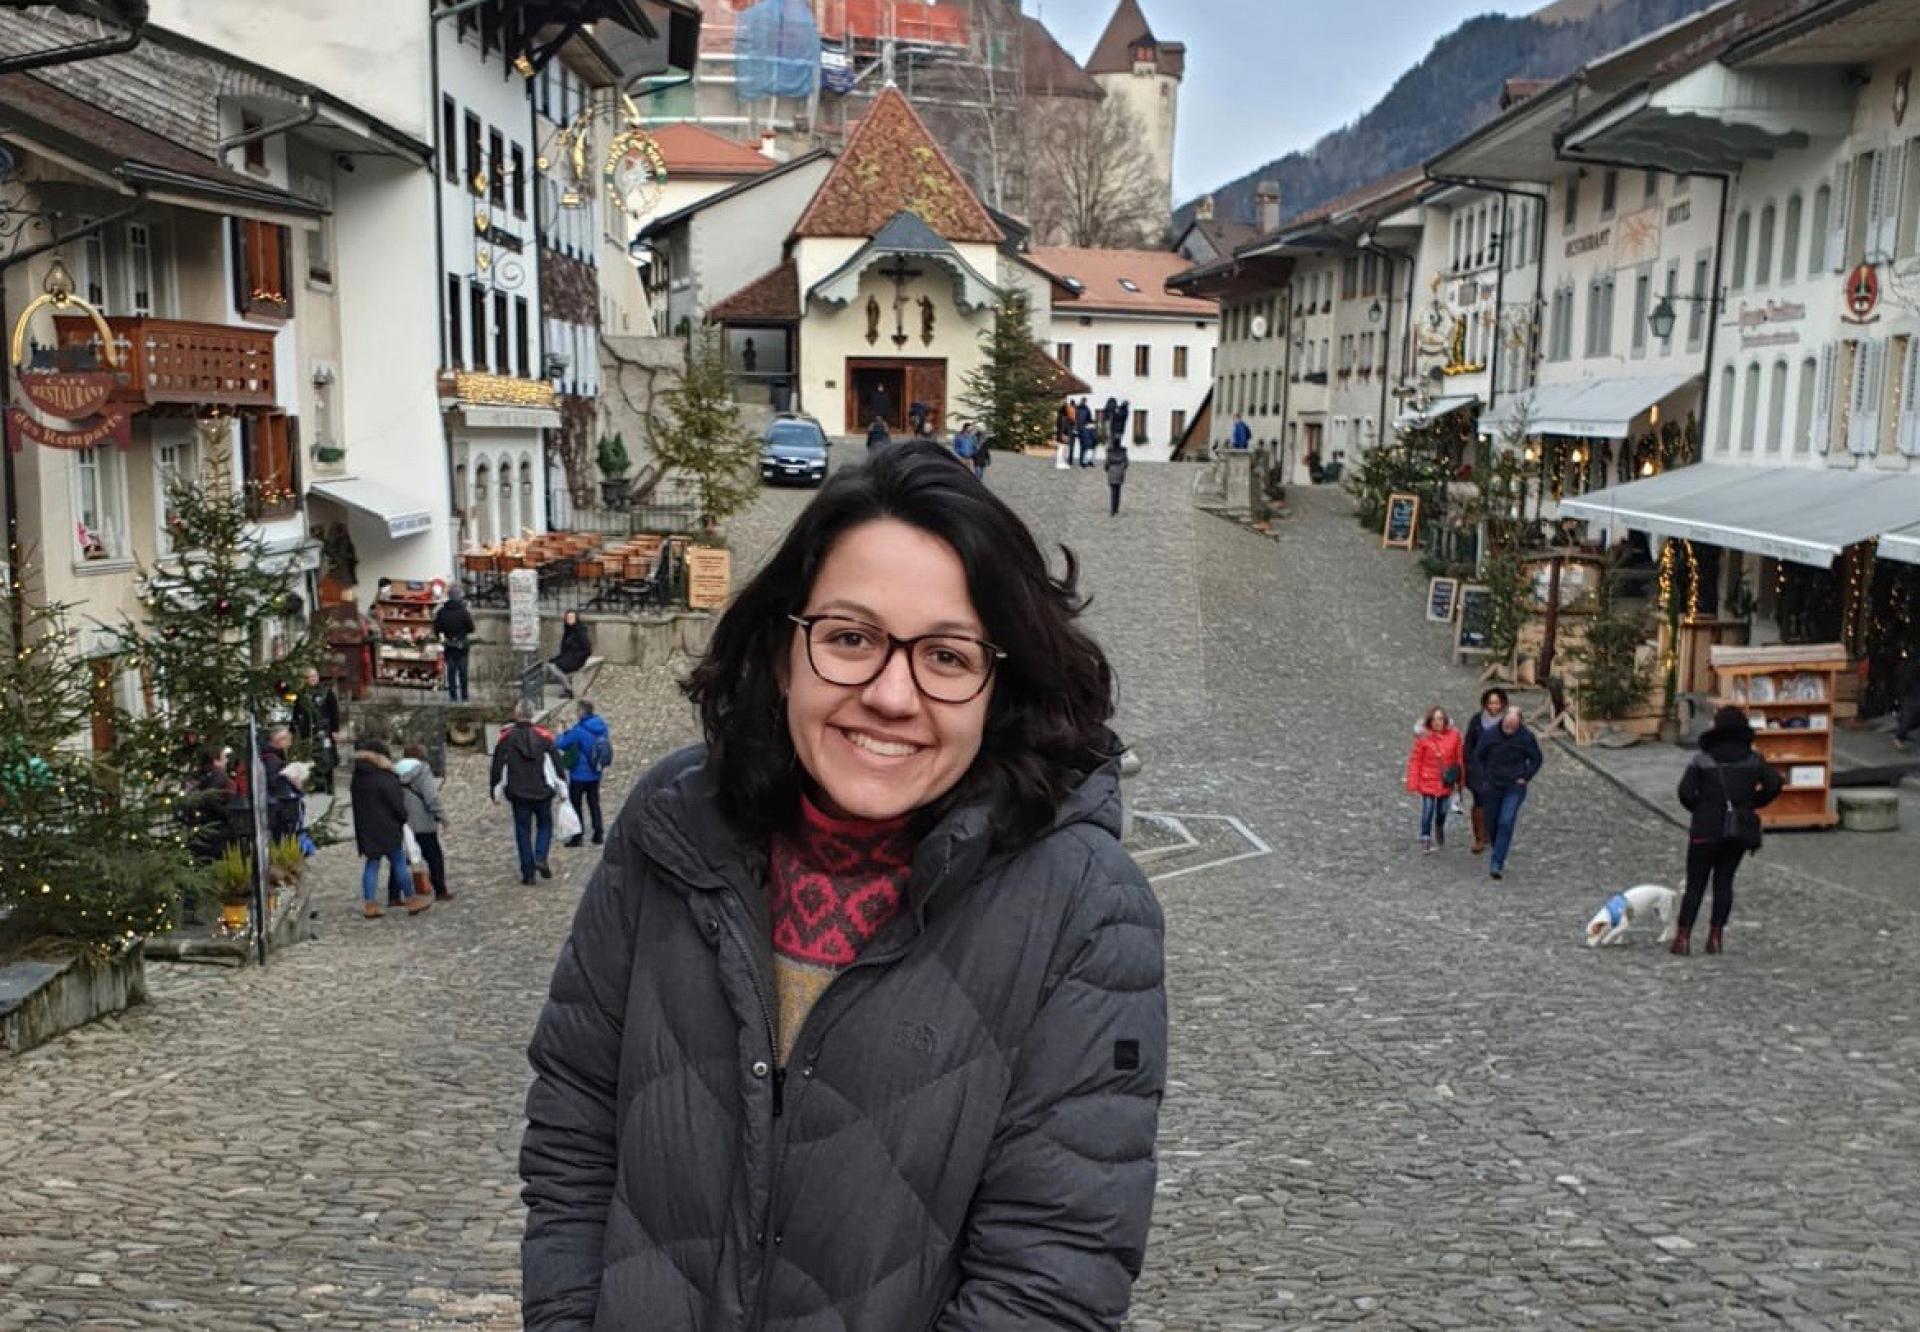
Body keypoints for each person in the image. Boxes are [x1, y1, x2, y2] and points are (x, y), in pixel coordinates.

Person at [520, 441, 1167, 1331]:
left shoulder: (1083, 911)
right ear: (784, 651)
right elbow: (573, 1126)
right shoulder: (672, 827)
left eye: (946, 656)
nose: (891, 694)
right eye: (851, 639)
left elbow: (1052, 1274)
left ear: (999, 685)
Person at [1673, 706, 1782, 955]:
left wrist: (1700, 809)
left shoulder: (1702, 759)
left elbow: (1685, 793)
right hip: (1737, 831)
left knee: (1695, 885)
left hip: (1705, 828)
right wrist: (1753, 802)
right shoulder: (1753, 759)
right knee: (1724, 883)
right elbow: (1774, 783)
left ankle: (1683, 938)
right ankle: (1715, 938)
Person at [351, 739, 425, 918]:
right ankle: (411, 899)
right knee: (399, 862)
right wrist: (403, 817)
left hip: (366, 828)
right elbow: (396, 804)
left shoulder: (358, 779)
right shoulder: (384, 777)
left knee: (372, 864)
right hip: (388, 826)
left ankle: (370, 904)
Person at [492, 697, 558, 885]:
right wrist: (562, 788)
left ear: (516, 714)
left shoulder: (506, 738)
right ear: (533, 714)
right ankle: (541, 855)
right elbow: (556, 765)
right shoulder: (544, 737)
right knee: (545, 825)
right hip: (542, 790)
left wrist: (495, 789)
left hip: (518, 791)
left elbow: (498, 765)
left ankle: (528, 873)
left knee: (522, 831)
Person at [1471, 707, 1541, 881]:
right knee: (1491, 821)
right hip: (1493, 785)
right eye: (1507, 726)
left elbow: (1536, 758)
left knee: (1506, 820)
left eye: (1513, 727)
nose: (1509, 729)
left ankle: (1497, 863)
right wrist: (1483, 779)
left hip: (1514, 786)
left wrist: (1526, 776)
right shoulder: (1490, 735)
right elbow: (1478, 757)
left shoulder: (1526, 737)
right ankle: (1497, 846)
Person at [396, 743, 454, 903]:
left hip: (402, 820)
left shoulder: (393, 771)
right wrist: (443, 818)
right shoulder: (422, 771)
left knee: (400, 858)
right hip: (422, 821)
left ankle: (393, 895)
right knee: (434, 856)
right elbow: (431, 797)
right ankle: (440, 890)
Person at [1405, 708, 1466, 852]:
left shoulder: (1454, 736)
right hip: (1429, 780)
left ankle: (1439, 826)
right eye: (1434, 719)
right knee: (1427, 810)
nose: (1437, 722)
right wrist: (1413, 782)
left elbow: (1459, 759)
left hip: (1446, 781)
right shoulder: (1423, 739)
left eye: (1440, 719)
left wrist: (1460, 780)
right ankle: (1425, 836)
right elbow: (1416, 761)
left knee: (1442, 811)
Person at [554, 699, 611, 848]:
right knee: (594, 803)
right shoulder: (601, 726)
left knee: (576, 804)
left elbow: (562, 744)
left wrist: (560, 733)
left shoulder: (579, 730)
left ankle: (578, 836)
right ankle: (598, 833)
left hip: (579, 774)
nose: (576, 713)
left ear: (582, 712)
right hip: (595, 773)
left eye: (577, 710)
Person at [1461, 686, 1509, 854]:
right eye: (1491, 703)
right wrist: (1468, 764)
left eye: (1496, 703)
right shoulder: (1477, 721)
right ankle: (1479, 837)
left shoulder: (1508, 722)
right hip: (1478, 769)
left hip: (1499, 770)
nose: (1493, 706)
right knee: (1479, 802)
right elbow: (1468, 744)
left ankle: (1491, 832)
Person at [181, 744, 236, 865]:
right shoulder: (221, 778)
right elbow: (212, 800)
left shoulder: (195, 778)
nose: (227, 761)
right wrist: (228, 815)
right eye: (224, 757)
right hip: (218, 830)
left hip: (198, 829)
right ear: (215, 761)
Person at [290, 666, 342, 791]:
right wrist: (292, 729)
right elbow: (296, 713)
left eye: (314, 676)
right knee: (309, 756)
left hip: (324, 729)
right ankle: (313, 783)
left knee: (326, 756)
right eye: (309, 677)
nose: (312, 679)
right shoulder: (302, 694)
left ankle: (329, 784)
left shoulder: (327, 692)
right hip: (307, 730)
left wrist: (335, 730)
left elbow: (334, 711)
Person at [260, 727, 303, 843]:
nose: (289, 744)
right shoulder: (272, 759)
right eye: (288, 740)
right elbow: (273, 781)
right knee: (279, 836)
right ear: (280, 740)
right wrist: (291, 779)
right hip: (279, 806)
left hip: (277, 804)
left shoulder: (272, 755)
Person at [435, 586, 477, 703]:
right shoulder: (464, 612)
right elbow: (471, 628)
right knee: (463, 672)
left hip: (448, 645)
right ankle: (464, 697)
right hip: (462, 644)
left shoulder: (442, 612)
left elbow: (437, 629)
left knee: (451, 672)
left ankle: (453, 696)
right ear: (459, 597)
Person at [544, 609, 592, 698]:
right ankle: (541, 687)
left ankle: (568, 689)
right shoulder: (568, 631)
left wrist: (576, 657)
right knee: (549, 664)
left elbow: (587, 649)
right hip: (567, 657)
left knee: (553, 667)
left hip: (577, 660)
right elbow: (564, 649)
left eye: (572, 617)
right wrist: (558, 658)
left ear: (576, 618)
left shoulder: (580, 631)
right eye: (568, 617)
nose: (570, 619)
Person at [1894, 649, 1920, 749]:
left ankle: (1901, 734)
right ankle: (1900, 736)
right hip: (1914, 688)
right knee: (1912, 710)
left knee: (1911, 711)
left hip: (1912, 687)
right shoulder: (1914, 662)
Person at [1105, 437, 1130, 516]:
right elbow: (1126, 463)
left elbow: (1106, 463)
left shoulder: (1109, 452)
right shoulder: (1123, 452)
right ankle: (1116, 509)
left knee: (1113, 492)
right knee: (1118, 491)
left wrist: (1107, 469)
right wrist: (1123, 468)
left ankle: (1112, 509)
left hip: (1112, 472)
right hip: (1120, 472)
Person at [1076, 396, 1096, 467]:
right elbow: (1075, 419)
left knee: (1085, 446)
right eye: (1083, 401)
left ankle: (1085, 461)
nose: (1084, 402)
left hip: (1084, 429)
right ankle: (1082, 462)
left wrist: (1092, 423)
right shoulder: (1077, 409)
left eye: (1085, 401)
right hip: (1079, 429)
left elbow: (1089, 419)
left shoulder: (1087, 409)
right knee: (1083, 446)